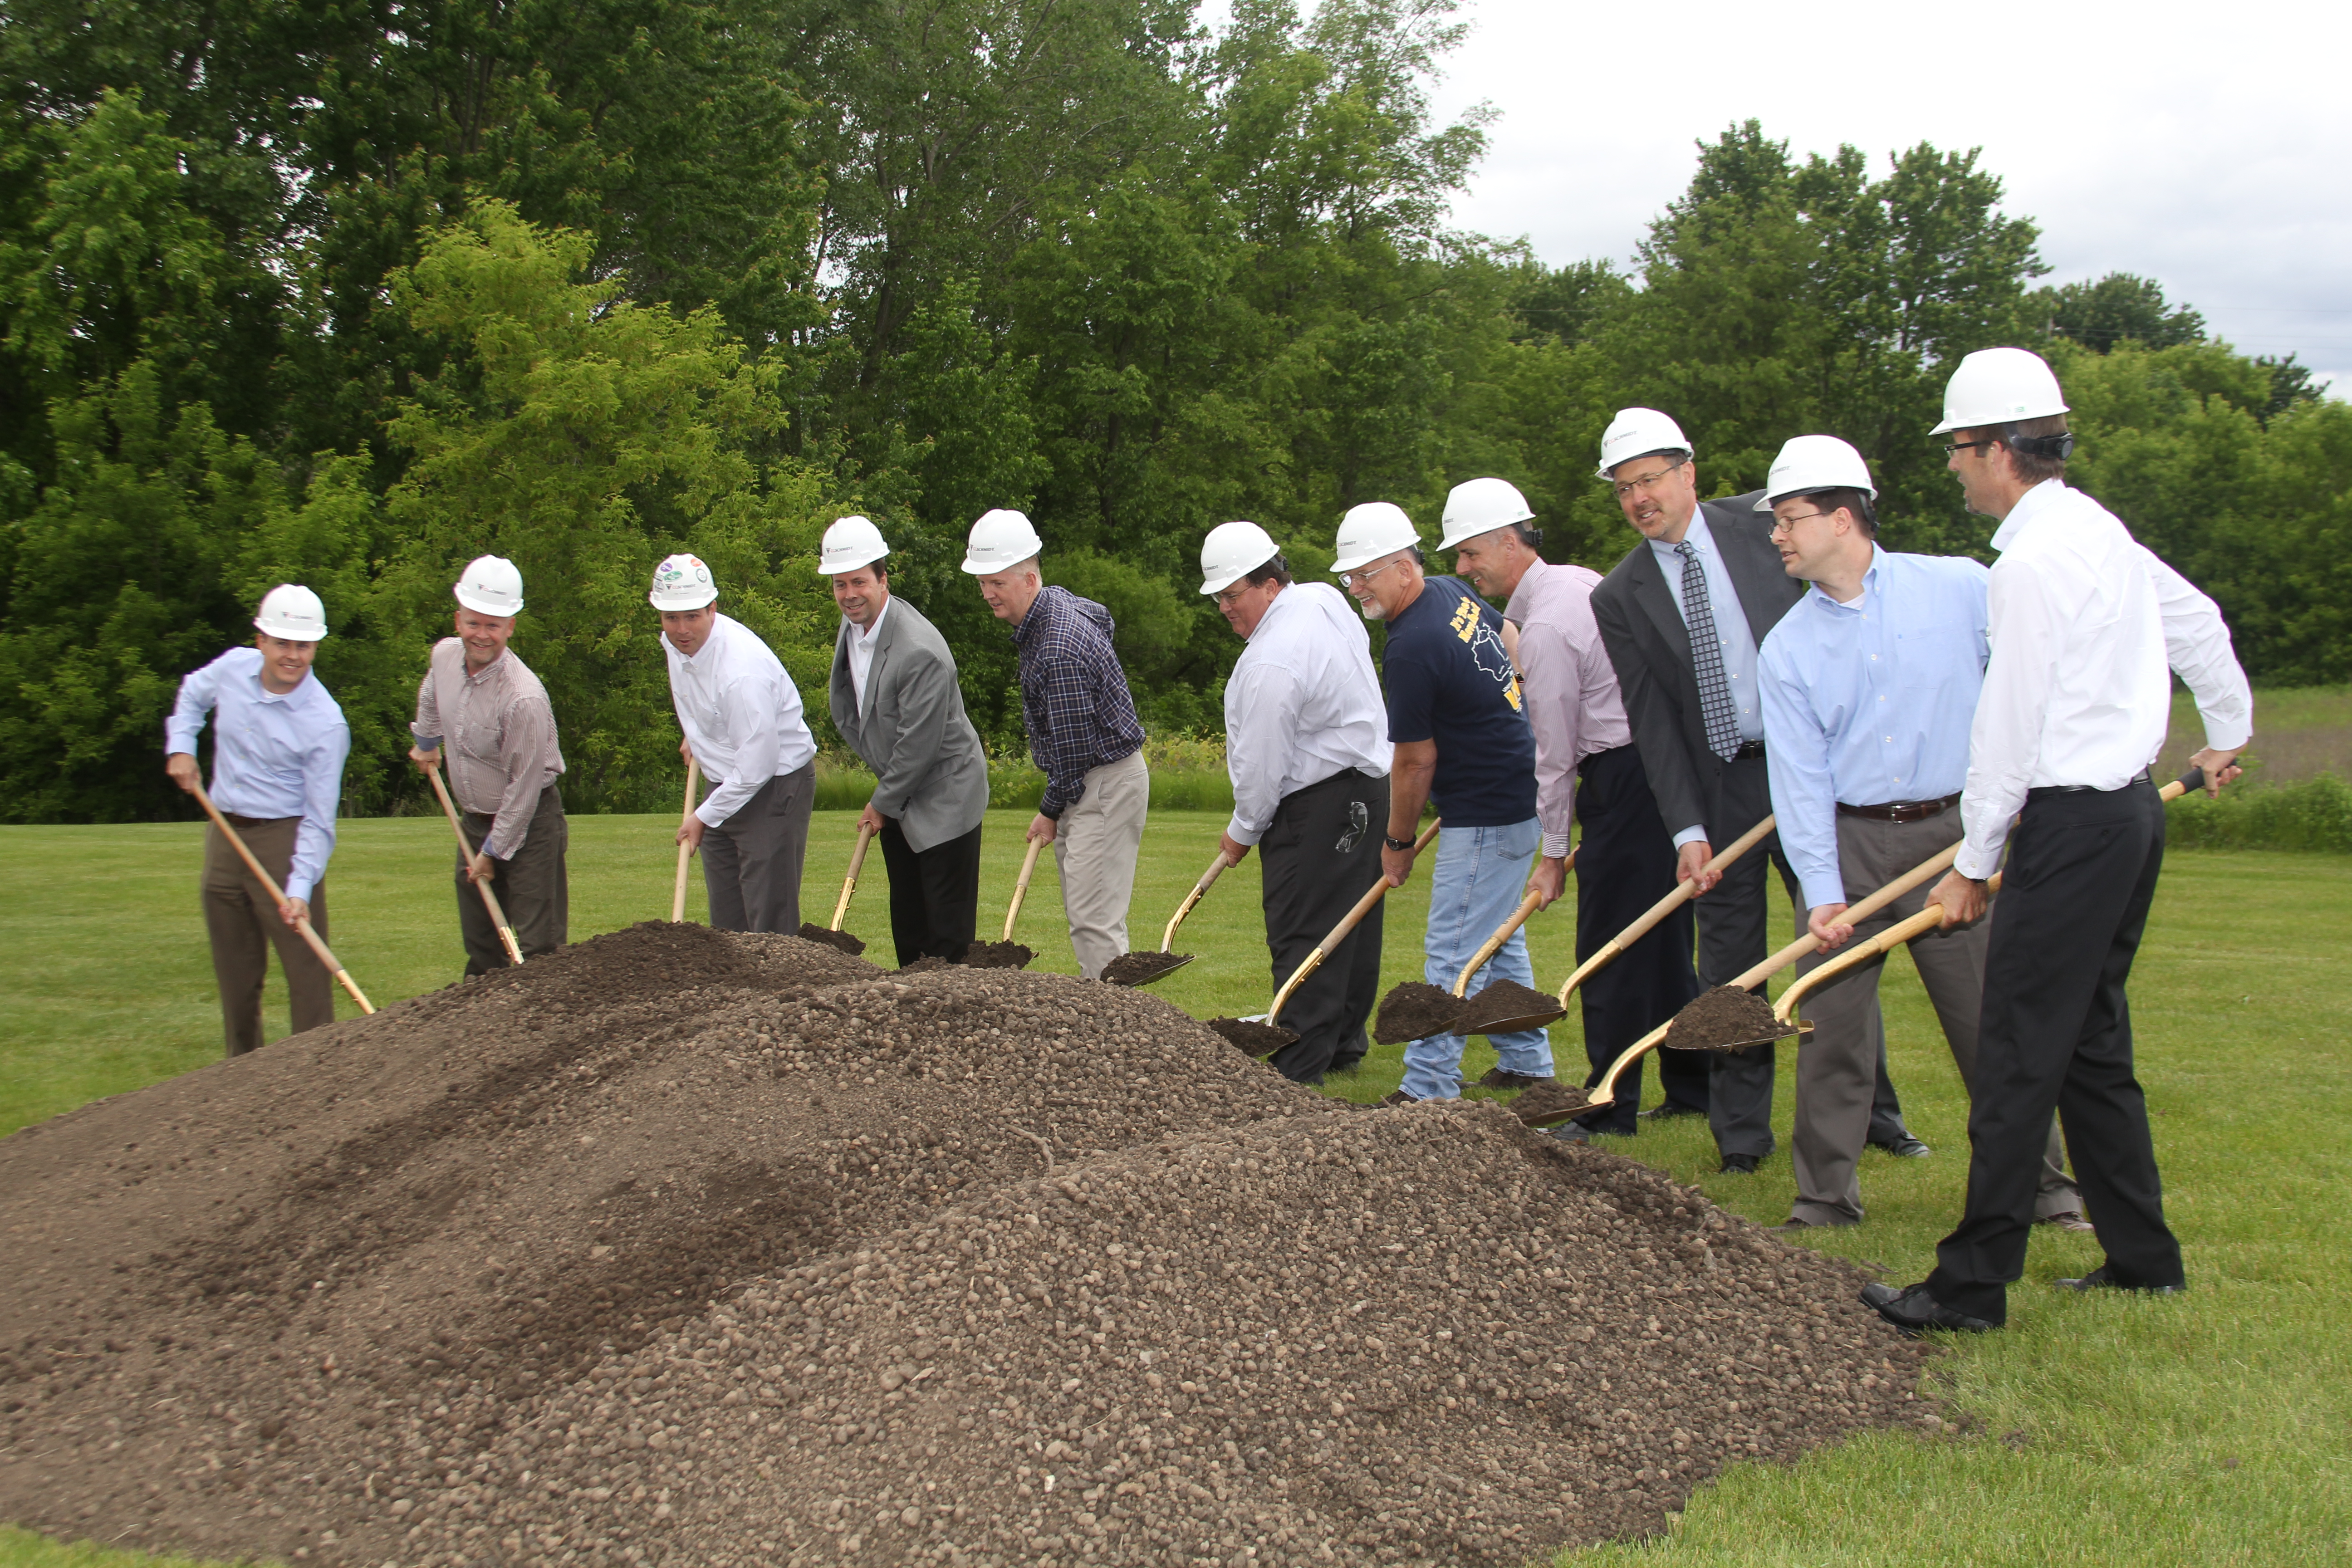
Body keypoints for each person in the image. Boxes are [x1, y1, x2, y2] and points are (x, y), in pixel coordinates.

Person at [1864, 349, 2252, 1334]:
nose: (1953, 467)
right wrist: (2230, 730)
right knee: (2090, 1043)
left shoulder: (2032, 563)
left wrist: (1972, 864)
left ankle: (1970, 1287)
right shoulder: (2096, 528)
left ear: (1999, 449)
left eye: (1959, 448)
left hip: (2076, 823)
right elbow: (2199, 624)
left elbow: (2010, 727)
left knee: (2018, 1052)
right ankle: (2144, 1259)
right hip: (2128, 818)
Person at [1753, 436, 2086, 1232]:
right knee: (1830, 1033)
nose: (1775, 535)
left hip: (1954, 840)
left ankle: (2046, 1189)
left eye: (1789, 519)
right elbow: (1798, 785)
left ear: (1841, 518)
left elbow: (2026, 680)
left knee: (1987, 1025)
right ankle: (1823, 1198)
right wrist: (1823, 896)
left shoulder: (1960, 588)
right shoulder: (1787, 647)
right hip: (1850, 845)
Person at [1588, 407, 1925, 1174]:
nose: (1638, 499)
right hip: (1720, 785)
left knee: (1834, 944)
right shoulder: (1619, 596)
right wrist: (1684, 829)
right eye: (1622, 488)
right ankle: (1740, 1138)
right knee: (1729, 971)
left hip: (1814, 773)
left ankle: (1876, 1115)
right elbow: (1654, 726)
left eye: (1648, 480)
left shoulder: (1766, 526)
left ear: (1687, 473)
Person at [1443, 477, 1706, 1137]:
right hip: (1652, 773)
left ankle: (1606, 1110)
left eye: (1471, 553)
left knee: (1608, 951)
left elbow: (1554, 753)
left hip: (1622, 773)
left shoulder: (1551, 625)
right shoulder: (1577, 583)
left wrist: (1553, 854)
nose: (1462, 569)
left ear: (1510, 541)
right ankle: (1694, 1086)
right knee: (1665, 942)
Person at [1334, 500, 1551, 1104]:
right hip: (1513, 796)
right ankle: (1528, 1064)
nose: (1357, 589)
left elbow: (1414, 761)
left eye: (1366, 574)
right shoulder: (1450, 593)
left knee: (1454, 951)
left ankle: (1428, 1088)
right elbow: (1509, 636)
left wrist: (1397, 843)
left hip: (1487, 809)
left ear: (1405, 567)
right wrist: (1512, 707)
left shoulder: (1410, 645)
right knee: (1498, 945)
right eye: (1349, 578)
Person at [1203, 521, 1393, 1083]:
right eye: (1218, 596)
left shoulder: (1269, 663)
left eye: (1233, 594)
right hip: (1367, 787)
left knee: (1302, 928)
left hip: (1316, 805)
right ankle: (1342, 1045)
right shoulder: (1322, 600)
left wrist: (1243, 830)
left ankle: (1299, 1066)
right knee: (1353, 922)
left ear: (1269, 583)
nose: (1224, 608)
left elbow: (1261, 768)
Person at [163, 584, 352, 1056]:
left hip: (284, 842)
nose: (292, 655)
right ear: (261, 639)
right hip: (224, 834)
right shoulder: (231, 668)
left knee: (308, 977)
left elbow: (318, 819)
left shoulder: (326, 723)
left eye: (303, 646)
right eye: (282, 643)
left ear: (315, 647)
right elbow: (191, 695)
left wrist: (299, 888)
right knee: (236, 974)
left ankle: (315, 1081)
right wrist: (182, 746)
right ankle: (241, 1082)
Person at [962, 509, 1150, 980]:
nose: (987, 593)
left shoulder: (1057, 649)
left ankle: (1120, 1031)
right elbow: (1102, 617)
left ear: (1028, 579)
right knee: (1091, 913)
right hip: (1093, 783)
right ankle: (1114, 1021)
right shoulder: (1058, 605)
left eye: (997, 583)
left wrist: (1050, 810)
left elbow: (1072, 754)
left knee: (1094, 920)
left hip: (1100, 784)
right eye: (982, 582)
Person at [821, 516, 992, 965]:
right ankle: (911, 1014)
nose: (849, 594)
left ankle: (954, 1015)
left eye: (859, 581)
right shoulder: (853, 626)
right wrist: (888, 798)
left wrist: (882, 802)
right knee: (909, 915)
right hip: (899, 790)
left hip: (945, 794)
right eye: (840, 584)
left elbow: (920, 743)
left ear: (883, 580)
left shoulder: (920, 651)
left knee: (945, 924)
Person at [407, 555, 568, 974]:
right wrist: (427, 741)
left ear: (510, 627)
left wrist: (492, 853)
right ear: (459, 618)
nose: (482, 635)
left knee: (538, 950)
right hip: (475, 821)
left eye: (493, 626)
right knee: (482, 945)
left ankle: (546, 1032)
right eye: (474, 623)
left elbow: (525, 788)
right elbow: (431, 693)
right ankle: (483, 1036)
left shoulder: (523, 698)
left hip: (530, 824)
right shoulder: (444, 656)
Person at [652, 552, 819, 933]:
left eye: (692, 616)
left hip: (774, 787)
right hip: (725, 778)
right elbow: (696, 693)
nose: (681, 629)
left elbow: (758, 766)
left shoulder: (741, 674)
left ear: (713, 608)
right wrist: (698, 734)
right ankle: (733, 994)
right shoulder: (676, 643)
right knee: (727, 922)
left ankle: (779, 991)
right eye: (671, 617)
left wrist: (702, 817)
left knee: (768, 921)